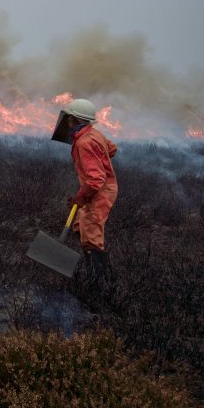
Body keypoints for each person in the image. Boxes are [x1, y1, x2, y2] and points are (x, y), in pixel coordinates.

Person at [52, 98, 118, 291]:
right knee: (79, 224)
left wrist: (81, 197)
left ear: (73, 119)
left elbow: (96, 180)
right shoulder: (92, 133)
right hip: (99, 187)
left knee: (90, 231)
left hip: (100, 190)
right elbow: (112, 148)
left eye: (68, 118)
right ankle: (84, 260)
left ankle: (99, 283)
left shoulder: (85, 142)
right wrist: (101, 159)